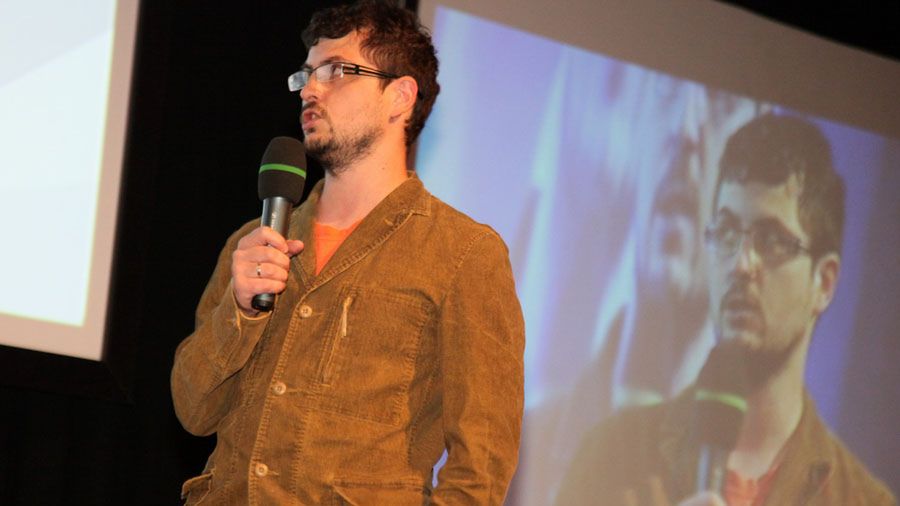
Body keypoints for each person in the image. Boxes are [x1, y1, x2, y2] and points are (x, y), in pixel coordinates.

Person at [170, 1, 525, 504]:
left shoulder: (463, 253)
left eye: (336, 71)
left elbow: (482, 464)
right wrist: (240, 312)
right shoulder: (257, 240)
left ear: (400, 97)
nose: (309, 90)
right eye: (306, 74)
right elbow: (193, 410)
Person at [554, 113, 896, 505]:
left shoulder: (860, 499)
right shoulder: (612, 456)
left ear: (824, 282)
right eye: (728, 233)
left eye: (772, 241)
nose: (741, 263)